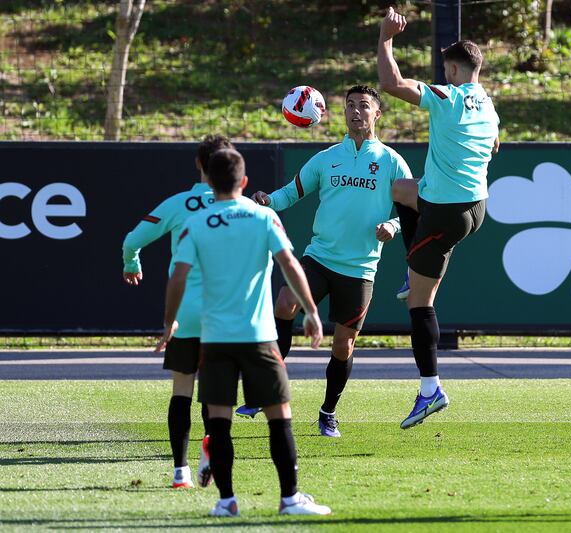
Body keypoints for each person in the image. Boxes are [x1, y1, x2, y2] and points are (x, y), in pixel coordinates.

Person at [162, 148, 331, 517]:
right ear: (244, 182)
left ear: (209, 179)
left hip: (215, 339)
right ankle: (289, 499)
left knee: (219, 419)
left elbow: (178, 275)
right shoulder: (263, 217)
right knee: (279, 415)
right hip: (258, 337)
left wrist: (168, 321)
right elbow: (289, 263)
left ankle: (226, 501)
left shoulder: (198, 222)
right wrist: (311, 311)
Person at [241, 85, 413, 437]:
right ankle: (263, 390)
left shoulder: (391, 161)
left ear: (376, 114)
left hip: (360, 267)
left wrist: (393, 226)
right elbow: (291, 192)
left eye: (363, 106)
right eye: (350, 105)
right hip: (319, 257)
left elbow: (409, 208)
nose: (355, 111)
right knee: (285, 304)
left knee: (343, 345)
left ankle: (327, 412)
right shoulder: (327, 157)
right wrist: (266, 200)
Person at [377, 7, 500, 429]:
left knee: (420, 303)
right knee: (400, 190)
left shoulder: (447, 96)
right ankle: (413, 269)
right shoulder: (489, 106)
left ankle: (431, 389)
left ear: (452, 68)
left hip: (445, 212)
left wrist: (385, 38)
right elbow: (495, 145)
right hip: (473, 205)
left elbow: (390, 83)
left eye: (446, 66)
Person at [122, 134, 233, 489]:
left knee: (182, 390)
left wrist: (131, 263)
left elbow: (131, 240)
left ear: (199, 165)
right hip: (224, 313)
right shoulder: (241, 208)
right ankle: (210, 452)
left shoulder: (180, 203)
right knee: (215, 394)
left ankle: (180, 471)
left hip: (184, 312)